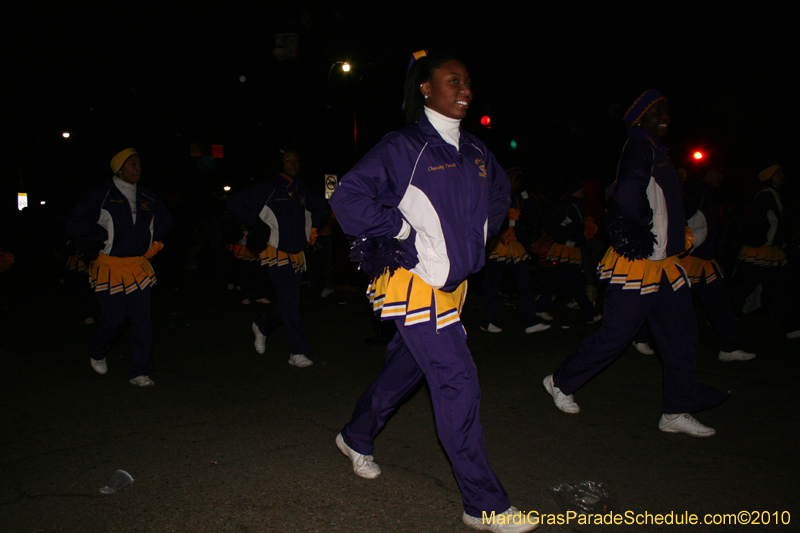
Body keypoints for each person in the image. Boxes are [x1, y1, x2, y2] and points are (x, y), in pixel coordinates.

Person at [330, 51, 538, 532]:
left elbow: (500, 195)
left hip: (454, 286)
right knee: (456, 380)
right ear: (425, 88)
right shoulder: (403, 146)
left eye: (467, 81)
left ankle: (356, 435)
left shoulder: (478, 152)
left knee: (404, 372)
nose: (464, 89)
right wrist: (400, 231)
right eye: (452, 81)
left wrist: (476, 237)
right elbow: (348, 197)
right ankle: (482, 503)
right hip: (415, 283)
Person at [542, 90, 729, 437]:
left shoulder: (657, 151)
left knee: (681, 336)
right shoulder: (639, 147)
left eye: (666, 111)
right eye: (656, 111)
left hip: (666, 264)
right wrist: (642, 227)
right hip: (641, 262)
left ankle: (676, 409)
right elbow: (626, 194)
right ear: (639, 118)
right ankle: (560, 380)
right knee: (615, 336)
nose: (665, 117)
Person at [67, 148, 172, 387]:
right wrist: (101, 235)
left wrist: (155, 243)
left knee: (142, 321)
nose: (138, 168)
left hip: (137, 266)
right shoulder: (100, 194)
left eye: (139, 164)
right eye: (132, 164)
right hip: (110, 266)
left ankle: (140, 371)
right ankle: (96, 349)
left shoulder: (148, 197)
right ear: (119, 168)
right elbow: (75, 222)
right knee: (114, 320)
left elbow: (166, 221)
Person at [226, 150, 331, 368]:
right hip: (274, 252)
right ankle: (297, 351)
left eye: (296, 160)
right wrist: (255, 225)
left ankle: (263, 324)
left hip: (298, 254)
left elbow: (323, 209)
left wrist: (313, 229)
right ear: (280, 163)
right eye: (288, 160)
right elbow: (234, 203)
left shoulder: (304, 191)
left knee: (289, 302)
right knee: (290, 302)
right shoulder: (266, 189)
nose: (293, 163)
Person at [682, 169, 756, 360]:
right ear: (706, 175)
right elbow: (682, 216)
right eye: (717, 174)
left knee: (720, 302)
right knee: (665, 302)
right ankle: (640, 337)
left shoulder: (702, 192)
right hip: (688, 258)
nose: (720, 177)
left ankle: (729, 348)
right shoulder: (696, 192)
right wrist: (688, 243)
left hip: (703, 259)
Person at [729, 165, 800, 338]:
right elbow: (757, 222)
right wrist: (761, 241)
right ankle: (724, 316)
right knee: (742, 287)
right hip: (760, 251)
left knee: (781, 289)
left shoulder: (773, 194)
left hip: (770, 251)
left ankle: (793, 326)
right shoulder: (765, 195)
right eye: (778, 173)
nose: (781, 175)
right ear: (770, 176)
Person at [481, 167, 550, 335]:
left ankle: (530, 322)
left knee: (525, 283)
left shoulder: (520, 197)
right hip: (499, 244)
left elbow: (532, 218)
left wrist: (528, 201)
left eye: (519, 180)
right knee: (493, 284)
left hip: (515, 245)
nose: (517, 183)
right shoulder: (497, 195)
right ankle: (487, 321)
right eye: (514, 179)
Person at [534, 182, 602, 324]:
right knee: (573, 282)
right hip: (564, 249)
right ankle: (590, 313)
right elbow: (549, 223)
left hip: (573, 249)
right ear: (575, 192)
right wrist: (565, 234)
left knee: (559, 280)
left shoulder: (577, 206)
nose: (583, 195)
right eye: (581, 192)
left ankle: (541, 307)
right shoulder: (564, 206)